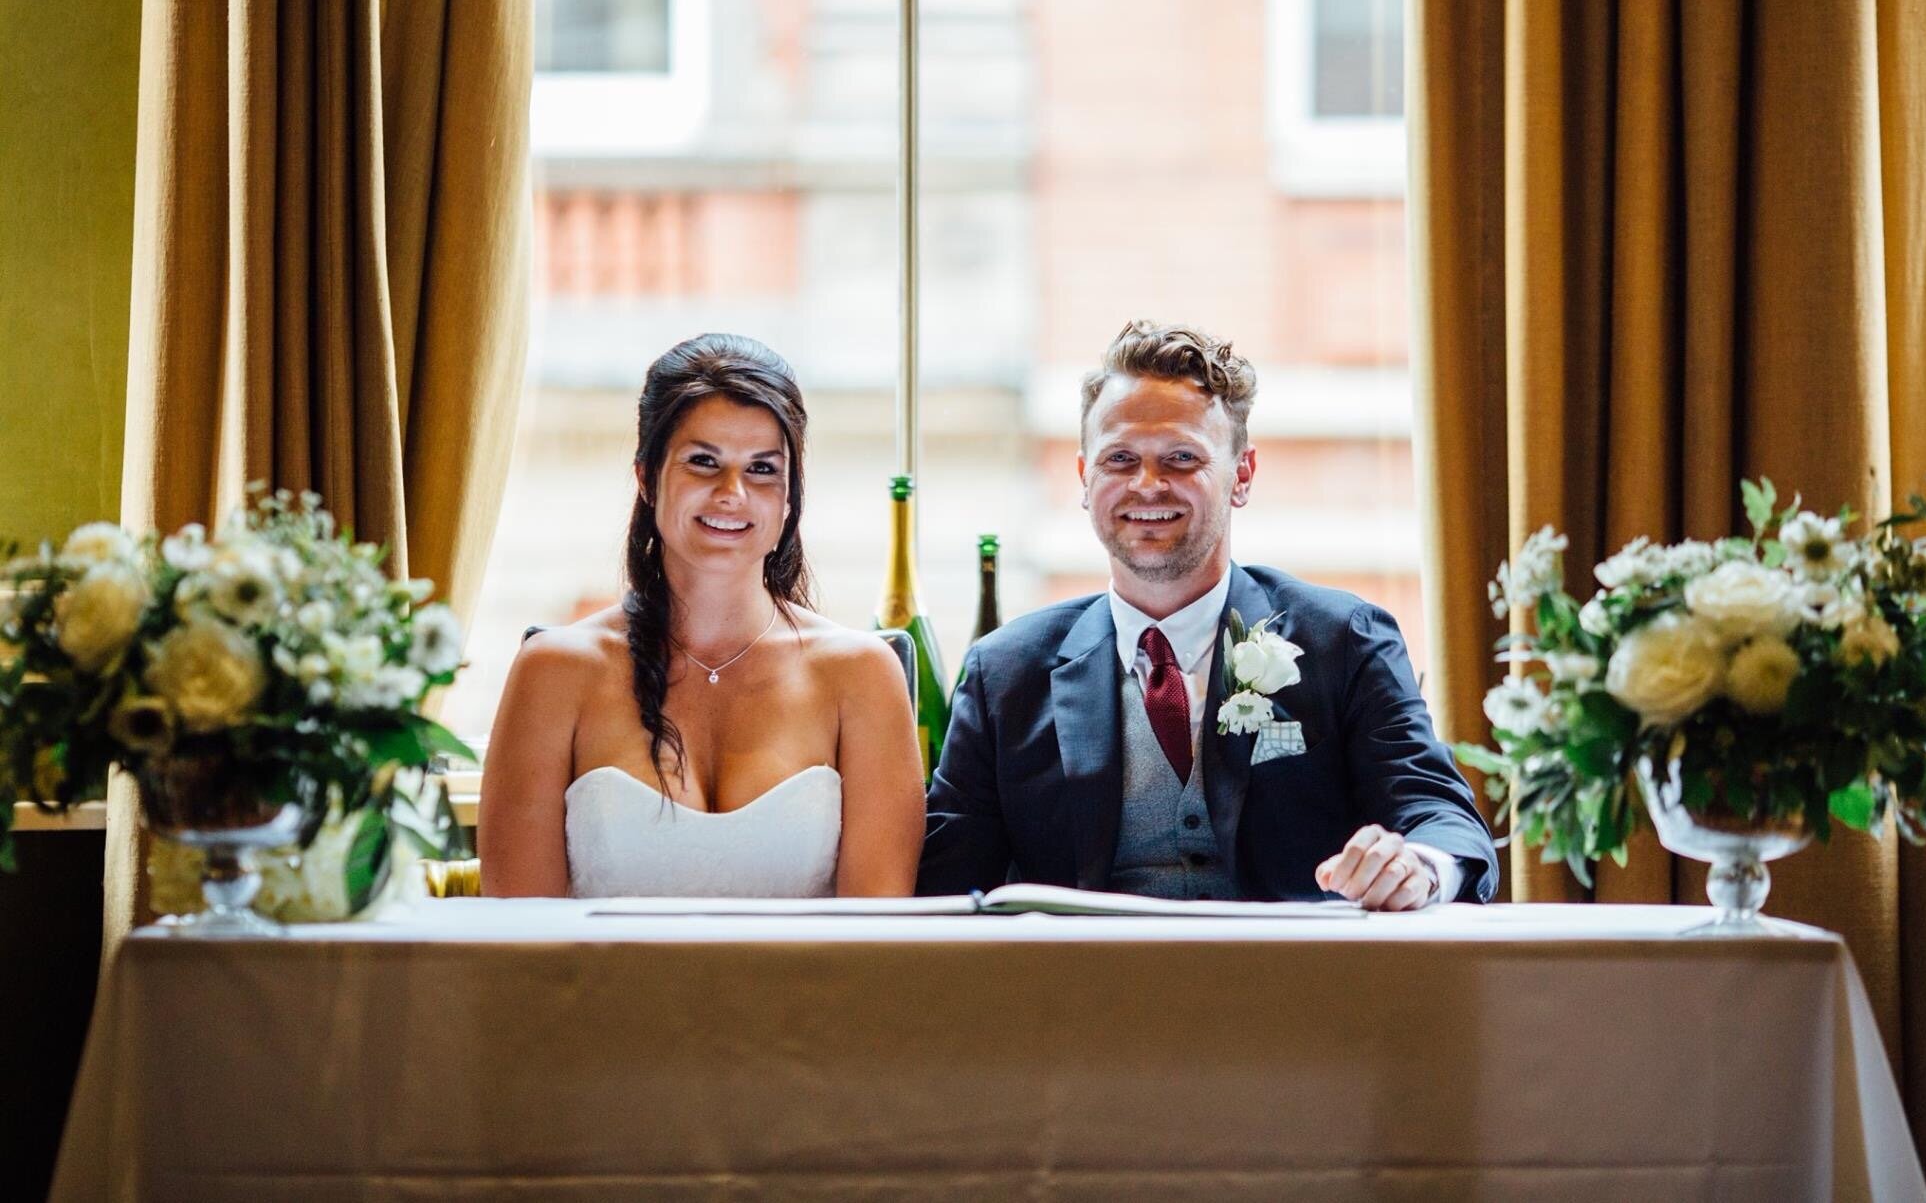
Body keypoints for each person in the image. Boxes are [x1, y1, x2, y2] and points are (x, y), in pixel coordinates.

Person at [920, 321, 1497, 909]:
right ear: (1084, 479)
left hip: (1299, 990)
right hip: (1080, 994)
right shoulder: (1004, 674)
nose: (1148, 485)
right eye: (1120, 459)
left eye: (1181, 458)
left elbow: (1440, 815)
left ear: (1240, 476)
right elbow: (943, 886)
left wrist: (1418, 868)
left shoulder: (1343, 640)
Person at [479, 334, 923, 898]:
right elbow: (519, 942)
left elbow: (877, 942)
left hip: (810, 990)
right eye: (703, 462)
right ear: (646, 478)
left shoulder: (861, 674)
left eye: (762, 469)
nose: (732, 493)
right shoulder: (553, 671)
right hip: (595, 990)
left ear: (789, 499)